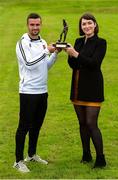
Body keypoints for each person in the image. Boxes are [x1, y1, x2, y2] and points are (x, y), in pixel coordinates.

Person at [13, 13, 61, 173]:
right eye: (32, 25)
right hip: (28, 92)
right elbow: (29, 63)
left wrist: (54, 54)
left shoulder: (42, 42)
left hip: (42, 91)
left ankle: (32, 154)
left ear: (41, 25)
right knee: (23, 127)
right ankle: (18, 161)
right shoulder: (22, 43)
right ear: (27, 25)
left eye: (37, 25)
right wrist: (46, 51)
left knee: (37, 126)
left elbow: (43, 66)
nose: (35, 27)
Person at [64, 13, 107, 168]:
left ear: (95, 25)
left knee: (91, 123)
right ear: (81, 27)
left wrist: (76, 54)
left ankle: (101, 158)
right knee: (82, 123)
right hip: (77, 87)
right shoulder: (78, 41)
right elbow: (74, 65)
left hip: (93, 88)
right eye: (84, 24)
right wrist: (70, 55)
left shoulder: (101, 43)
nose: (87, 26)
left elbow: (94, 64)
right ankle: (86, 154)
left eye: (89, 23)